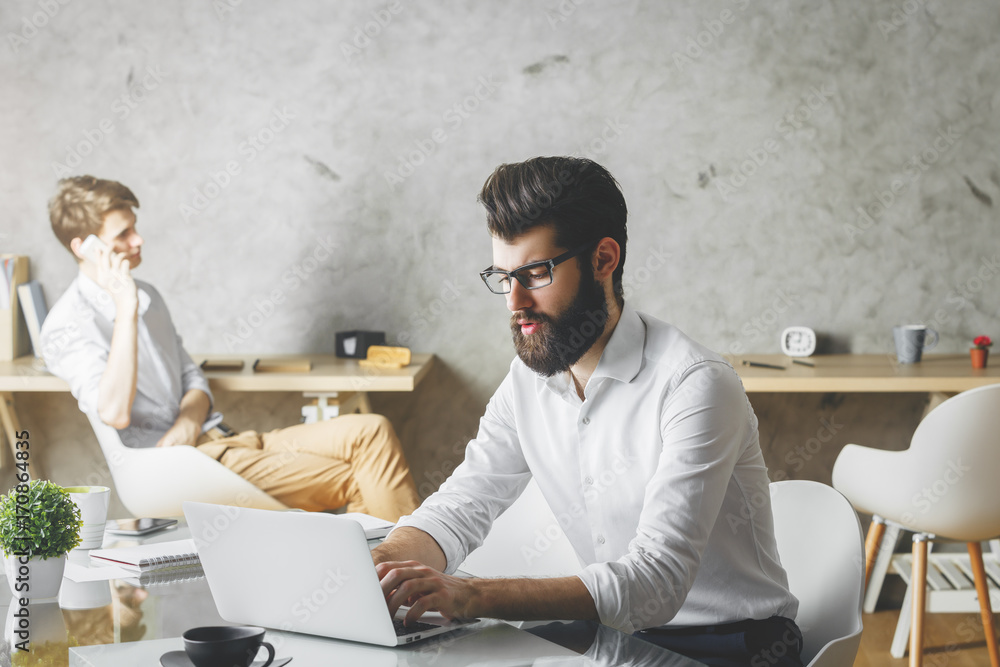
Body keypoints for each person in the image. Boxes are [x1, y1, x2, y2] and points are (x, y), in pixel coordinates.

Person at [372, 157, 802, 666]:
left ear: (603, 259)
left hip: (733, 644)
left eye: (534, 273)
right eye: (502, 276)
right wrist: (377, 568)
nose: (514, 302)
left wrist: (472, 595)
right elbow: (460, 507)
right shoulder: (527, 382)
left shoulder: (696, 385)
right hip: (612, 639)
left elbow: (656, 582)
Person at [40, 176, 420, 522]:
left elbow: (192, 377)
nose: (137, 240)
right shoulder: (67, 325)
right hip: (186, 466)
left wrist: (188, 423)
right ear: (84, 247)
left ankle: (391, 581)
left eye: (134, 228)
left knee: (372, 430)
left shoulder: (148, 295)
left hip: (224, 439)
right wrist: (124, 308)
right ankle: (409, 586)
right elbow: (114, 411)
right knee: (362, 480)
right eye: (123, 234)